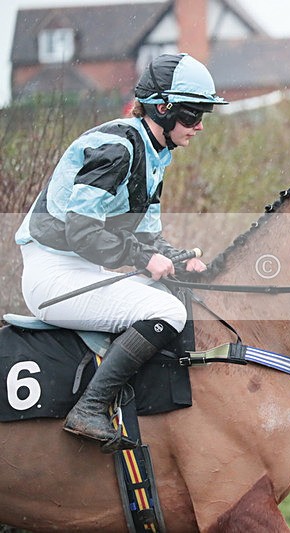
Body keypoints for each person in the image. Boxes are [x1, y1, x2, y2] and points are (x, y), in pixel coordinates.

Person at [15, 53, 228, 451]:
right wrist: (146, 259)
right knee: (168, 312)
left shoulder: (154, 154)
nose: (200, 125)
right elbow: (81, 231)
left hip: (82, 270)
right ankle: (90, 409)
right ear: (163, 108)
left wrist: (176, 256)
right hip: (55, 278)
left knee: (171, 295)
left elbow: (146, 236)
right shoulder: (117, 148)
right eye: (193, 113)